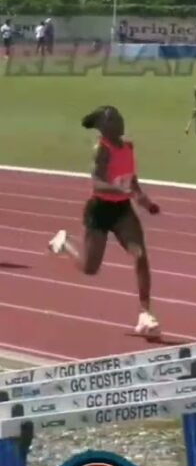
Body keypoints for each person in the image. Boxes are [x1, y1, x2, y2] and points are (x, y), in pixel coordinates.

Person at [48, 106, 163, 335]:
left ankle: (145, 313)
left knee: (140, 254)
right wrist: (119, 189)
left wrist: (145, 201)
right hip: (99, 211)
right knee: (90, 268)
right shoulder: (102, 149)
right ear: (104, 127)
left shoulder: (128, 147)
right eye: (114, 119)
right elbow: (97, 183)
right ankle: (64, 243)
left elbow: (132, 180)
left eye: (120, 117)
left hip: (122, 210)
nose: (120, 122)